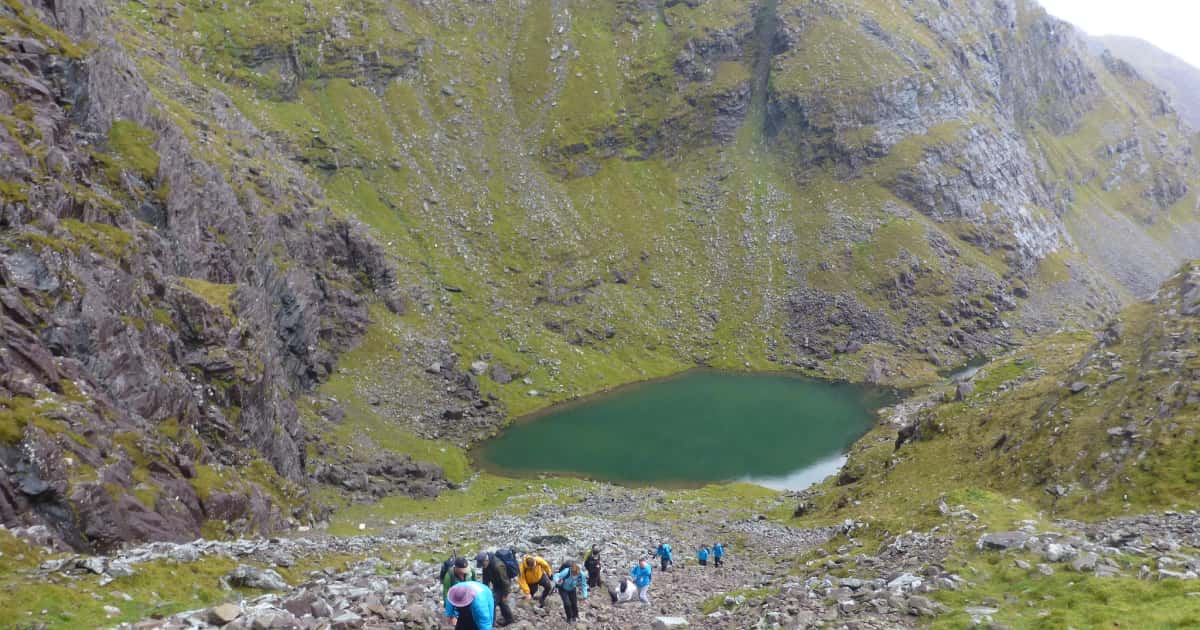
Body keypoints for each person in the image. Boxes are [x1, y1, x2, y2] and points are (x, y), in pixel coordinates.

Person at [476, 551, 514, 627]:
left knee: (492, 603)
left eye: (483, 565)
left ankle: (491, 624)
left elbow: (505, 581)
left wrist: (505, 594)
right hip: (496, 585)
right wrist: (485, 592)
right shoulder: (486, 566)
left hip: (503, 586)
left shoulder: (498, 566)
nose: (482, 567)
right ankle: (509, 620)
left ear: (486, 560)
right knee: (500, 603)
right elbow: (485, 580)